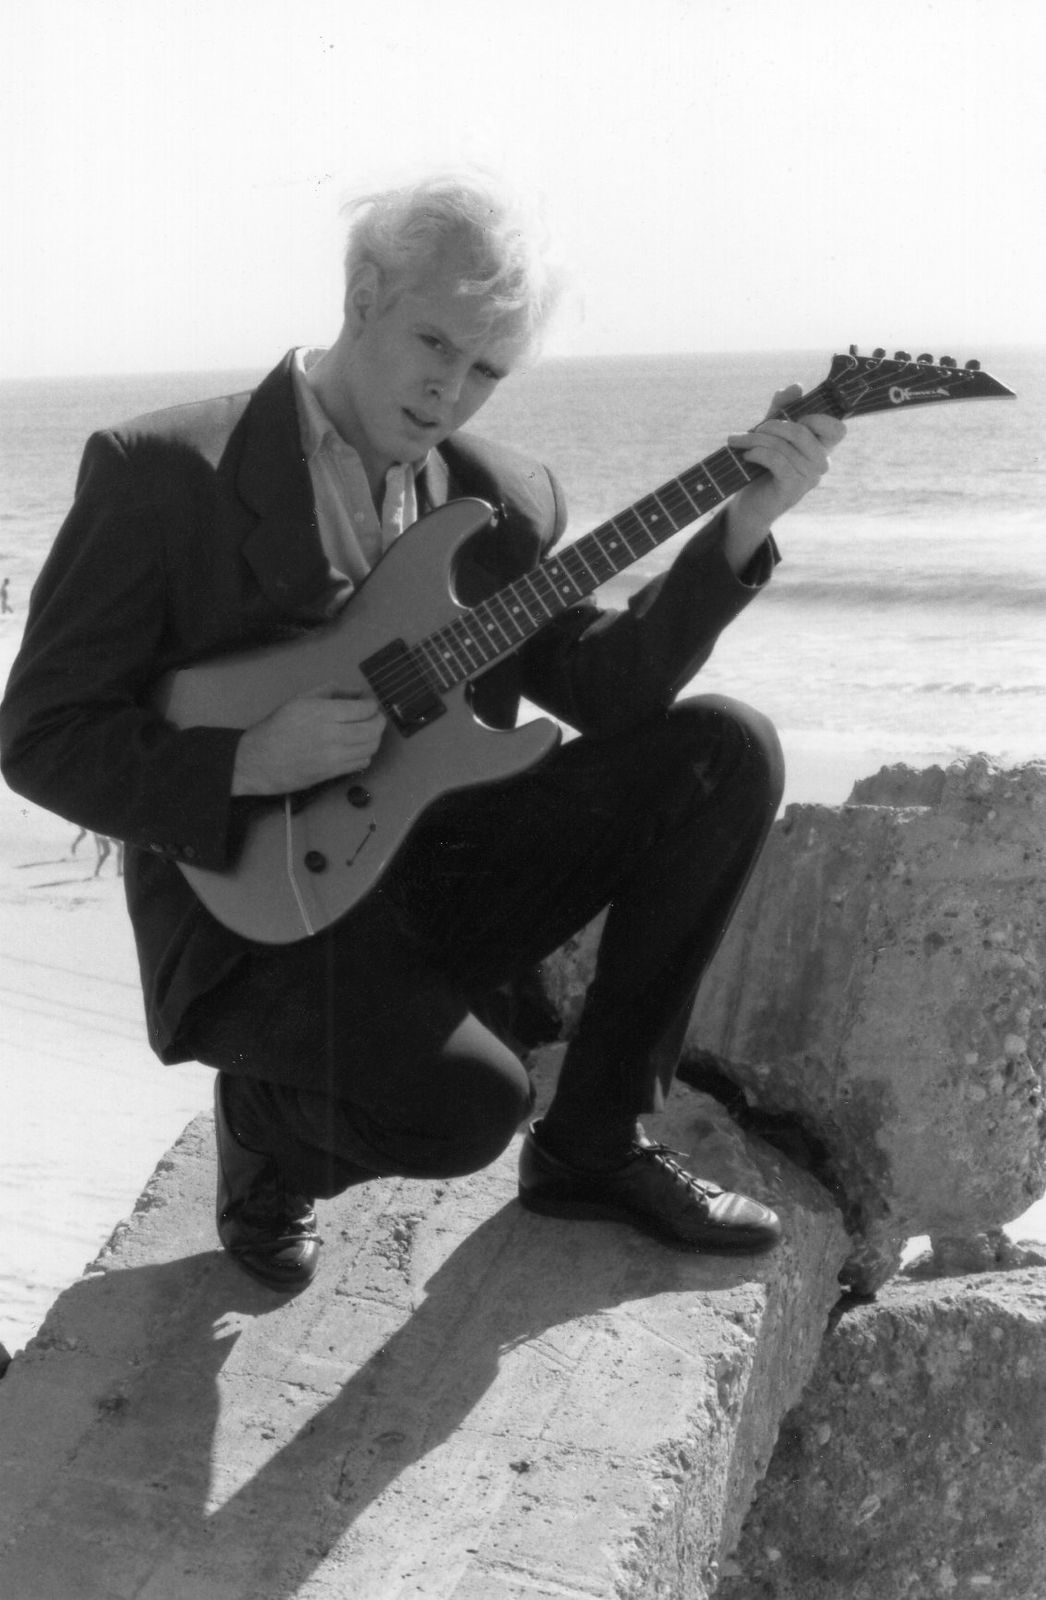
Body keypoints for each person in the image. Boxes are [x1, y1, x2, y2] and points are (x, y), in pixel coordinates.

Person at [0, 173, 845, 1292]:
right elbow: (41, 734)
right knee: (464, 1111)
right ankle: (263, 1131)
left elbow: (606, 688)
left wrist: (741, 525)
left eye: (487, 369)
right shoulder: (163, 473)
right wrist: (246, 760)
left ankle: (593, 1143)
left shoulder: (502, 497)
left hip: (433, 871)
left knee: (724, 750)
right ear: (362, 296)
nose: (452, 389)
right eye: (435, 342)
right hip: (256, 918)